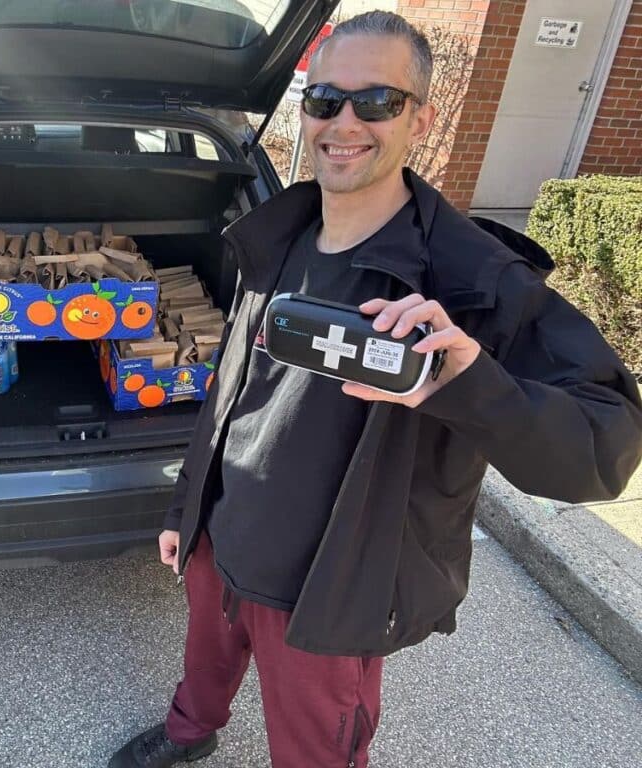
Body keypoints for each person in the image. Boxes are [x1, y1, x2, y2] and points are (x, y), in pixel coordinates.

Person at [108, 11, 642, 768]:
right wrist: (185, 508)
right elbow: (234, 390)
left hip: (331, 585)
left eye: (377, 102)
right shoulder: (277, 233)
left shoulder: (475, 279)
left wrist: (468, 384)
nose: (344, 122)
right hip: (222, 539)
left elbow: (605, 445)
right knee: (203, 669)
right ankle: (192, 733)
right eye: (325, 100)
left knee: (317, 750)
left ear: (420, 118)